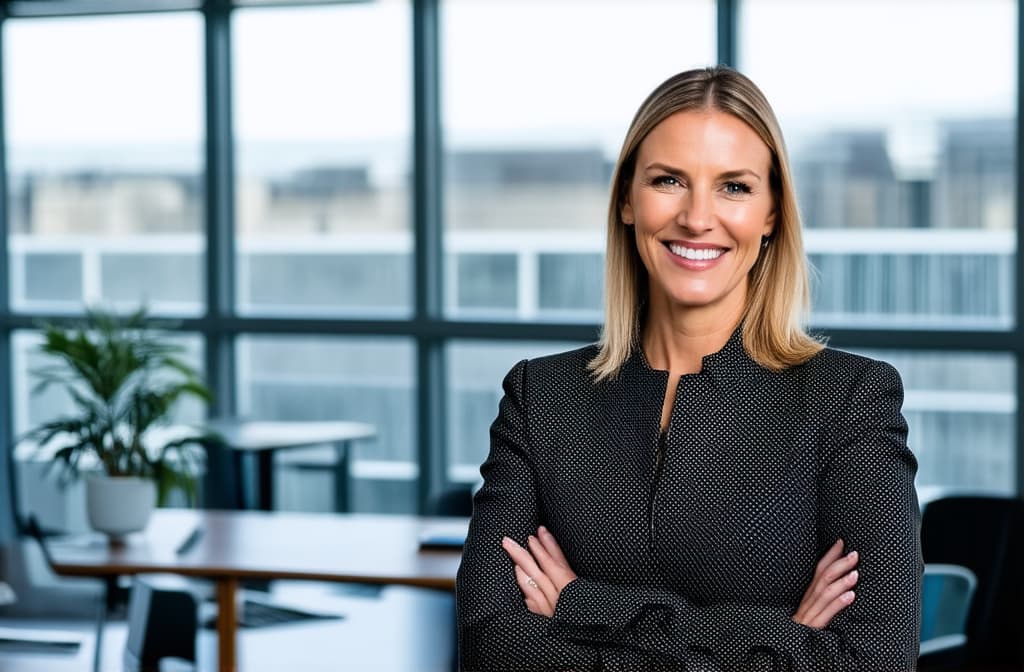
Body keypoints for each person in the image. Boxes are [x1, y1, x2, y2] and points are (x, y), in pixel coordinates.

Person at [455, 66, 922, 671]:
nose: (698, 218)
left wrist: (580, 602)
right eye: (669, 180)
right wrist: (779, 638)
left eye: (734, 187)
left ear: (772, 212)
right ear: (627, 199)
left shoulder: (850, 400)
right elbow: (489, 641)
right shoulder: (540, 398)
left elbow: (874, 659)